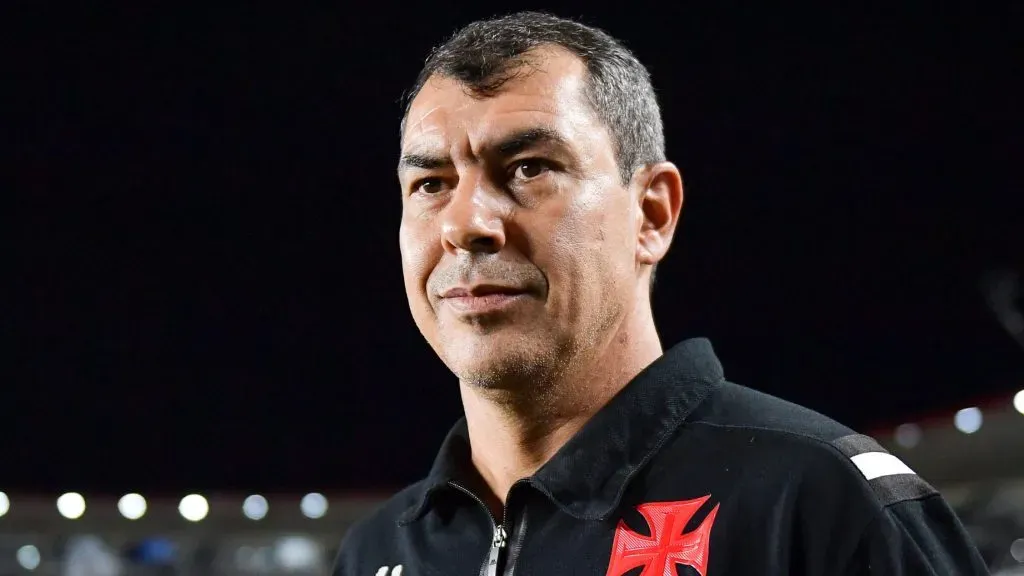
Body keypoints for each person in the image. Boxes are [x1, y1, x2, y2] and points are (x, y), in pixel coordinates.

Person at [333, 11, 989, 576]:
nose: (466, 223)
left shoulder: (817, 504)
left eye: (529, 168)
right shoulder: (378, 551)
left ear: (651, 214)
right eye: (430, 184)